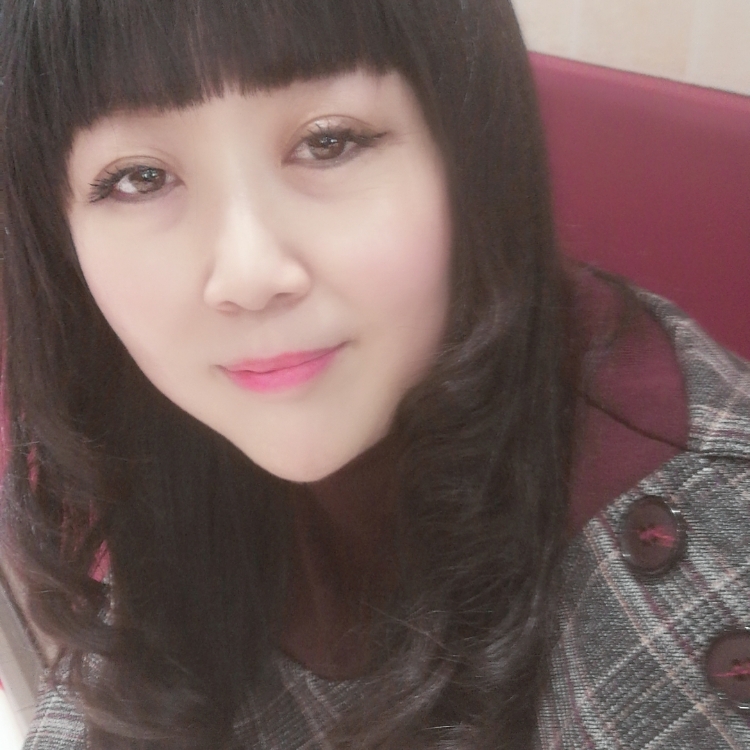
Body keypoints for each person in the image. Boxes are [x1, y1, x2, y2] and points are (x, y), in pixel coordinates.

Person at [0, 0, 748, 748]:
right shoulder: (145, 430)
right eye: (138, 177)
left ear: (469, 149)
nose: (248, 275)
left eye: (327, 142)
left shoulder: (702, 588)